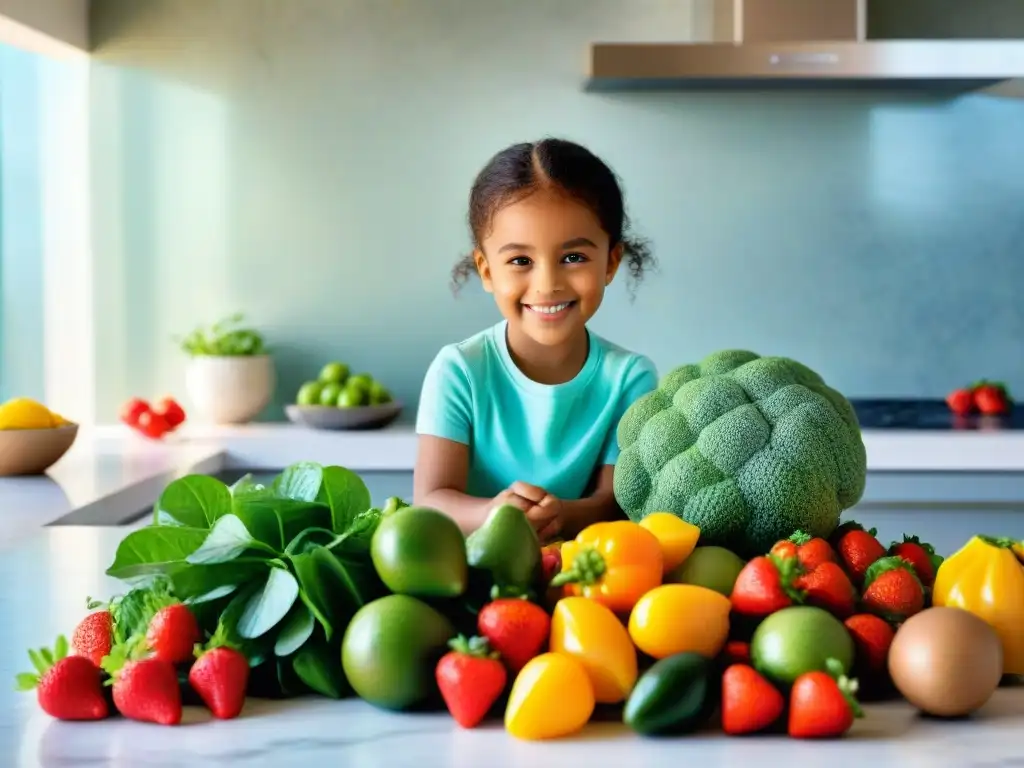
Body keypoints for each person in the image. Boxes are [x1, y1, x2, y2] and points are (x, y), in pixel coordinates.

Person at [413, 137, 658, 543]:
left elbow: (617, 503)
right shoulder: (459, 370)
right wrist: (495, 514)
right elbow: (432, 501)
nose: (547, 284)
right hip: (470, 581)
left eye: (573, 258)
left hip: (584, 584)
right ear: (487, 270)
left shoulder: (630, 379)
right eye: (520, 261)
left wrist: (561, 515)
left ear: (611, 262)